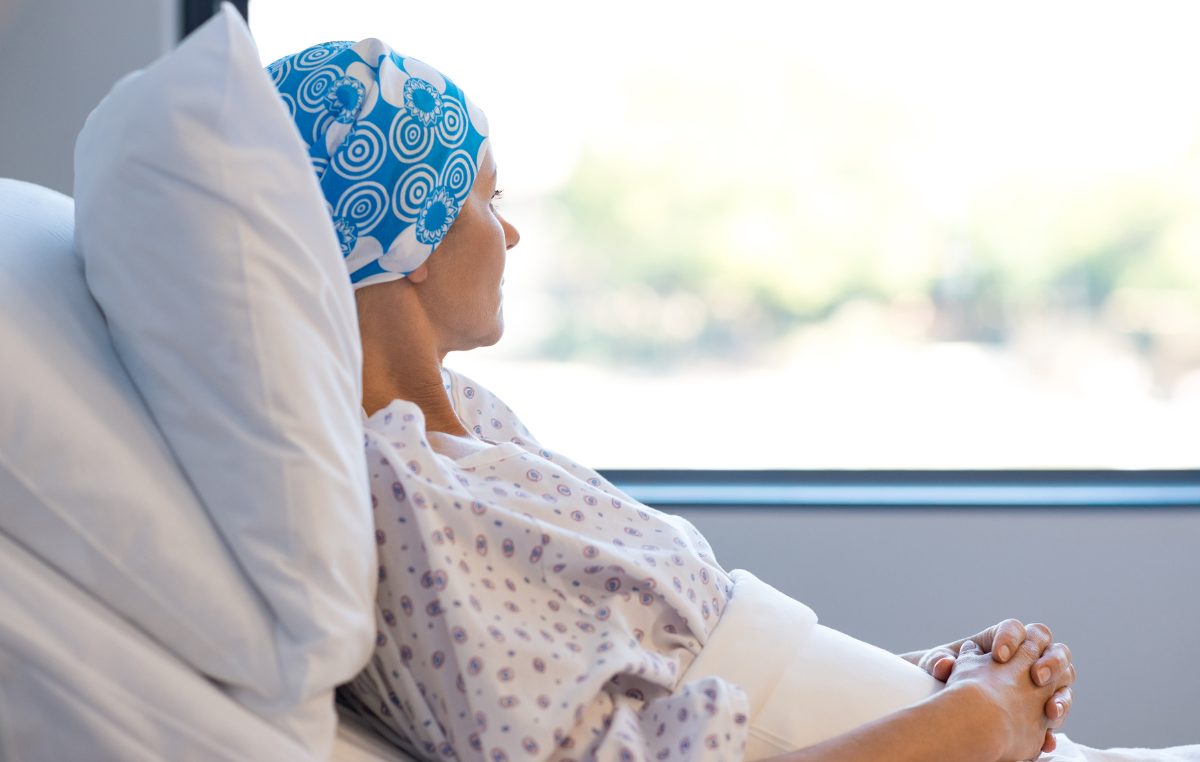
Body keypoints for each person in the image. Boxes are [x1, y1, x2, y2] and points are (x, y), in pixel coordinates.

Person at [266, 40, 1186, 762]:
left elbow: (688, 671)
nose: (510, 230)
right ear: (410, 229)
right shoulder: (399, 496)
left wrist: (935, 678)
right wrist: (981, 723)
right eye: (486, 196)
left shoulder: (473, 425)